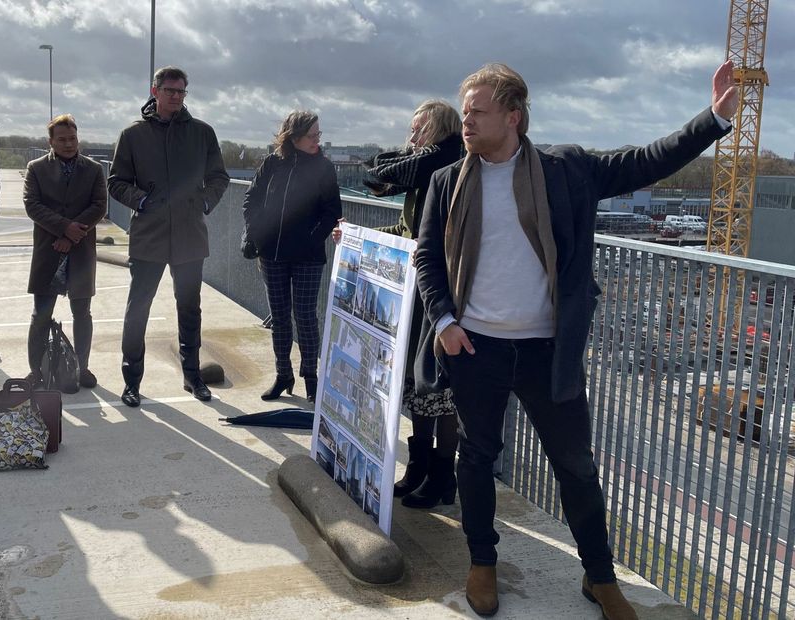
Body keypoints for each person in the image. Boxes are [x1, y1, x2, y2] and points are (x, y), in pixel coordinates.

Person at [415, 61, 737, 619]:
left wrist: (712, 120)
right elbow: (426, 257)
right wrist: (444, 323)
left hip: (547, 351)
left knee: (576, 467)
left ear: (513, 116)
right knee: (476, 457)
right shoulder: (448, 180)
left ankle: (598, 576)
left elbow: (645, 161)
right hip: (476, 350)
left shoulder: (565, 170)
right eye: (463, 110)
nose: (464, 120)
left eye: (477, 111)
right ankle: (482, 562)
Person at [335, 99, 465, 509]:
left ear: (436, 128)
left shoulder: (442, 165)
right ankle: (421, 469)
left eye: (416, 130)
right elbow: (408, 229)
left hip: (443, 292)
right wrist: (359, 234)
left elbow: (432, 236)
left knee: (439, 388)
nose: (410, 138)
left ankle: (442, 475)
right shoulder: (427, 168)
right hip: (421, 291)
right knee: (420, 384)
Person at [108, 66, 229, 407]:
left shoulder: (202, 133)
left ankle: (193, 377)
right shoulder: (132, 135)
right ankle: (132, 381)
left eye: (181, 92)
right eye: (170, 90)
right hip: (149, 235)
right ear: (155, 91)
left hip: (190, 235)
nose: (176, 96)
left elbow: (218, 177)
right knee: (138, 309)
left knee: (189, 308)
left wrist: (205, 200)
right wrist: (142, 201)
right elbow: (116, 182)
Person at [241, 110, 341, 403]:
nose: (317, 140)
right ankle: (282, 375)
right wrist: (257, 232)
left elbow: (332, 210)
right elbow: (252, 199)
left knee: (306, 317)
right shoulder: (272, 162)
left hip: (308, 256)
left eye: (318, 135)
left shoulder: (324, 167)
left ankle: (311, 376)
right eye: (312, 135)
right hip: (272, 253)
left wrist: (311, 237)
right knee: (280, 317)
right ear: (294, 136)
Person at [24, 114, 107, 388]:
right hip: (49, 251)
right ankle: (36, 370)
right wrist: (63, 229)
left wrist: (71, 237)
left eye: (72, 138)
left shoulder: (94, 169)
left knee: (82, 313)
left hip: (80, 252)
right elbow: (32, 205)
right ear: (51, 142)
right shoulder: (36, 168)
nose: (69, 144)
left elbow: (99, 206)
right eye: (62, 139)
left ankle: (82, 368)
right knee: (41, 314)